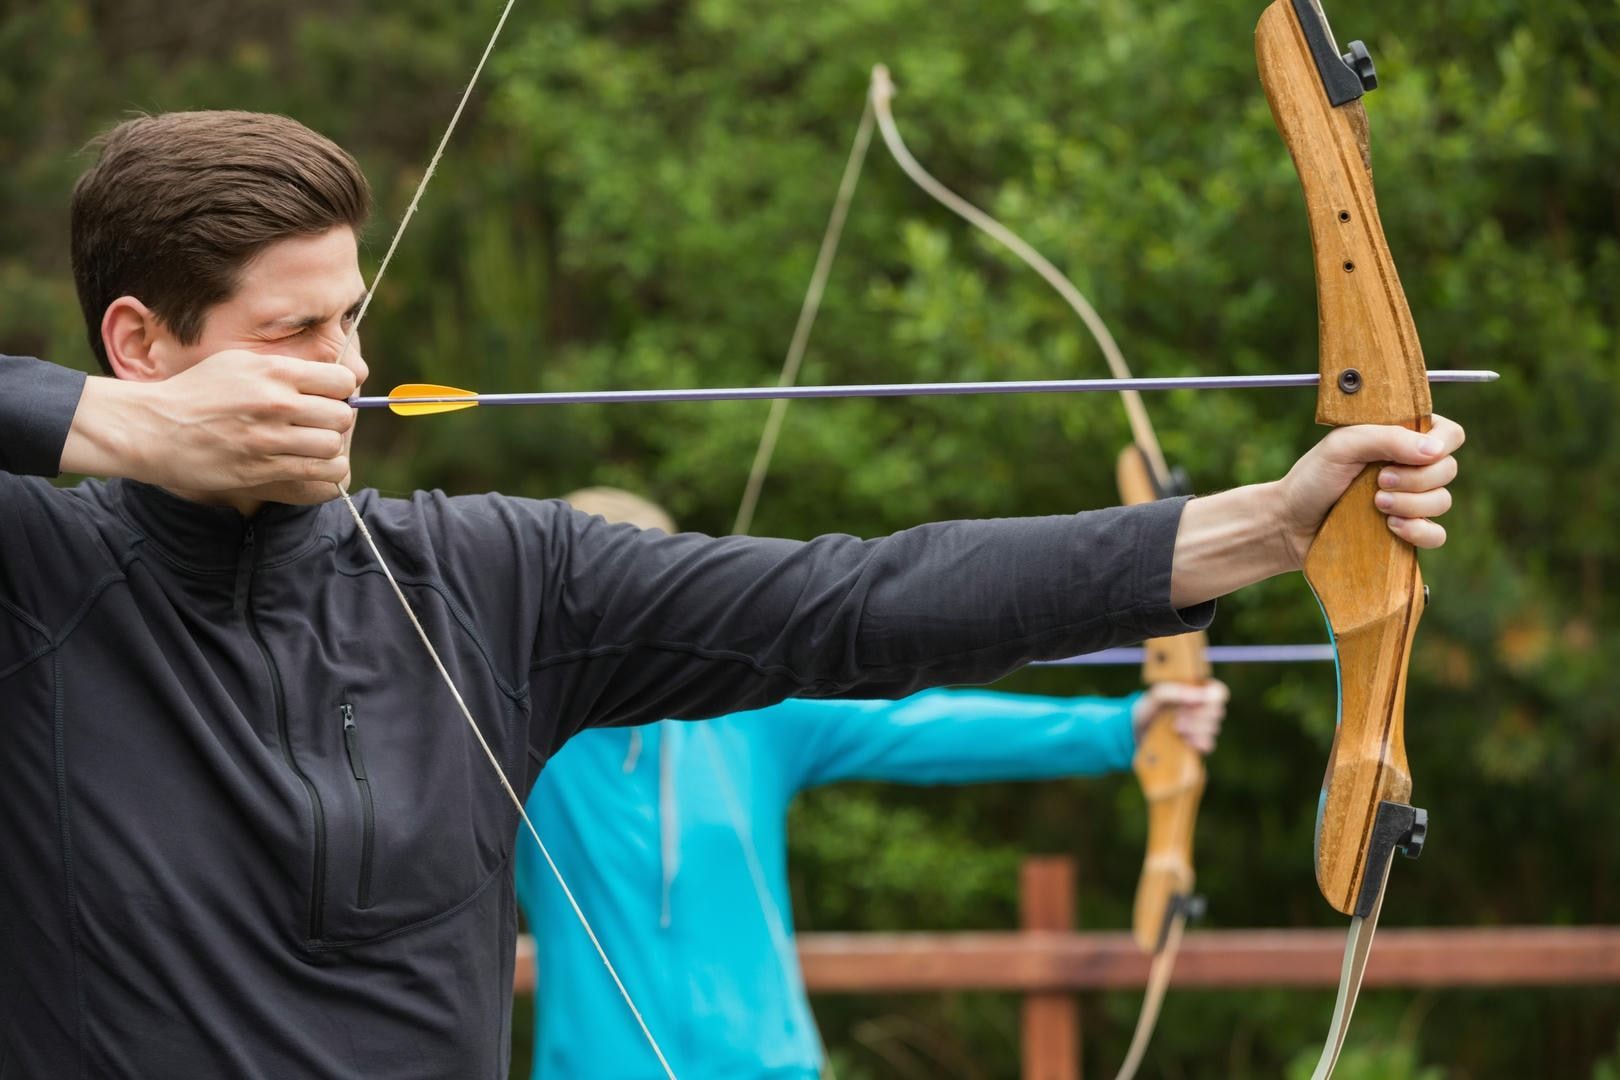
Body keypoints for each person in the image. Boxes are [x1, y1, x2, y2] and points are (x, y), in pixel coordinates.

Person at [0, 110, 1463, 1080]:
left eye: (356, 318)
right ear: (140, 343)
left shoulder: (494, 576)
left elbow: (861, 601)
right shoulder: (38, 578)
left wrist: (1261, 529)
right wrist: (114, 438)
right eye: (298, 331)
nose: (354, 370)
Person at [516, 488, 1229, 1079]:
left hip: (770, 1068)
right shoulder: (519, 742)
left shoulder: (744, 717)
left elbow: (921, 725)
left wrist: (1123, 729)